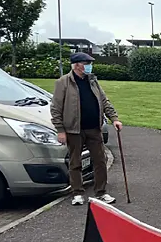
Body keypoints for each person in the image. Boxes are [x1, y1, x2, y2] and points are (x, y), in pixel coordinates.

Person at [51, 52, 122, 206]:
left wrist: (114, 118)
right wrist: (60, 130)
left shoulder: (93, 81)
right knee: (75, 162)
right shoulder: (63, 82)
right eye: (87, 63)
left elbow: (104, 101)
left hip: (94, 128)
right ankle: (77, 192)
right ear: (77, 65)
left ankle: (101, 192)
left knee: (100, 160)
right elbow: (56, 108)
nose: (90, 66)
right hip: (74, 130)